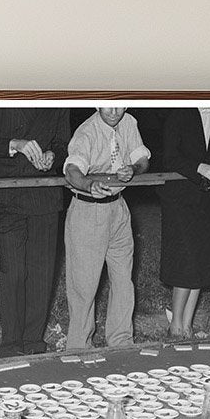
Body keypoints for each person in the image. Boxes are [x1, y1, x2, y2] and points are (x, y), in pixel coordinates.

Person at [62, 107, 150, 351]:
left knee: (123, 280)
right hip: (88, 210)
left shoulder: (129, 122)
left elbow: (142, 158)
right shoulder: (87, 132)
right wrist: (89, 185)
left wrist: (134, 169)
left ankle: (121, 342)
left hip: (119, 209)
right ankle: (79, 348)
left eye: (120, 104)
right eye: (108, 104)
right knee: (84, 285)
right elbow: (72, 171)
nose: (114, 111)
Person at [0, 108, 71, 357]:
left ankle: (33, 342)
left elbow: (64, 144)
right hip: (6, 195)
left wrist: (52, 156)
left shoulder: (57, 96)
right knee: (13, 271)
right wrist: (15, 144)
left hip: (44, 195)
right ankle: (11, 344)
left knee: (41, 273)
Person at [158, 107, 210, 339]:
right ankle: (175, 328)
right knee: (186, 262)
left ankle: (187, 325)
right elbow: (170, 156)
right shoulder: (177, 112)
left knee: (201, 261)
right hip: (181, 197)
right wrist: (200, 167)